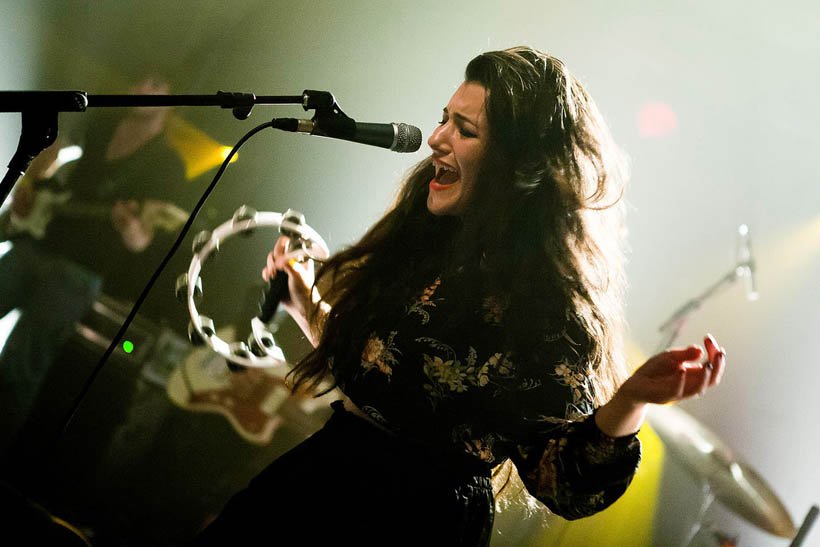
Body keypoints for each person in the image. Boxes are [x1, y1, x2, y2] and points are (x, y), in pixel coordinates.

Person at [193, 47, 726, 545]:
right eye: (444, 118)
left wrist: (630, 401)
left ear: (519, 166)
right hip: (321, 477)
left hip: (414, 519)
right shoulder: (428, 238)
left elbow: (564, 482)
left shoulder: (548, 311)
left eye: (464, 129)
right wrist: (302, 299)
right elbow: (383, 369)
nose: (435, 139)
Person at [0, 78, 193, 453]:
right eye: (141, 81)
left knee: (17, 369)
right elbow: (52, 155)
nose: (142, 90)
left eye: (156, 85)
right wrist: (30, 187)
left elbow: (140, 241)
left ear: (172, 99)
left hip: (77, 276)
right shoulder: (100, 125)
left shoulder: (167, 164)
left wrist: (129, 225)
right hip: (36, 244)